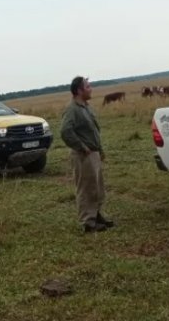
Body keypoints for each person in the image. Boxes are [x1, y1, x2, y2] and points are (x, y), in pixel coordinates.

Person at [60, 76, 114, 233]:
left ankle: (96, 215)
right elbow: (65, 131)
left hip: (93, 153)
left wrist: (99, 150)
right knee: (86, 188)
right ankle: (88, 223)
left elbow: (93, 130)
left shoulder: (86, 107)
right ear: (79, 90)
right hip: (83, 155)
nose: (91, 89)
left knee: (96, 187)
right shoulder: (72, 109)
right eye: (88, 87)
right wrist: (82, 147)